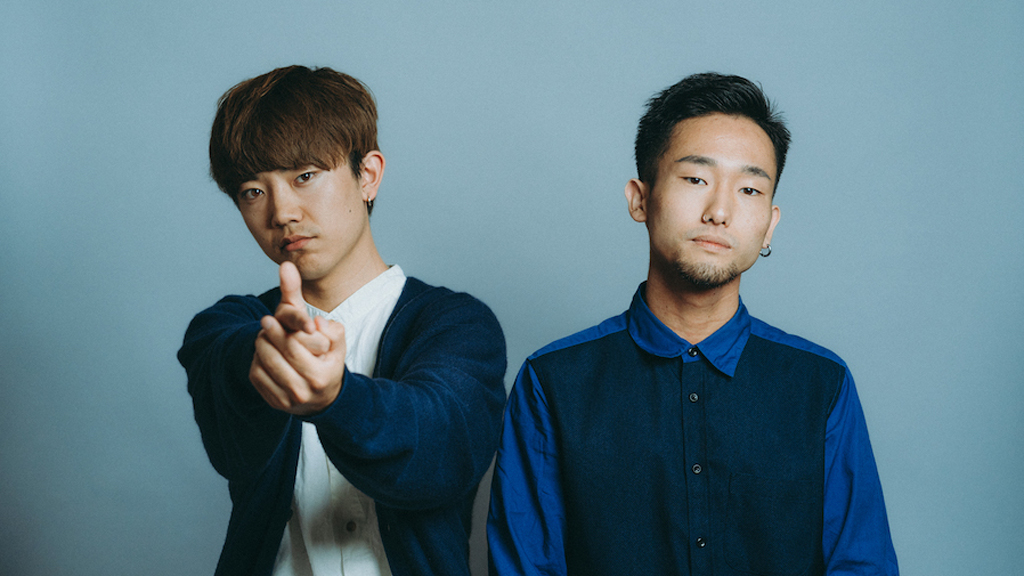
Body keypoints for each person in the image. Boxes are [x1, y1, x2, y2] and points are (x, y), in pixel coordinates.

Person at [487, 72, 898, 575]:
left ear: (770, 224)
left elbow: (862, 564)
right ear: (640, 199)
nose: (720, 211)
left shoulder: (821, 384)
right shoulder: (553, 381)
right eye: (696, 179)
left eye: (749, 189)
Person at [178, 65, 507, 576]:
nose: (282, 212)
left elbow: (440, 456)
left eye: (304, 176)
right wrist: (266, 357)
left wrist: (337, 399)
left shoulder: (457, 325)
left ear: (368, 175)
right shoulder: (229, 327)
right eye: (252, 191)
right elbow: (230, 431)